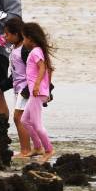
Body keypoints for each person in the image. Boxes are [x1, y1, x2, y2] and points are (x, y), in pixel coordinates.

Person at [20, 21, 55, 161]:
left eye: (24, 38)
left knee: (36, 124)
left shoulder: (35, 51)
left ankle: (49, 149)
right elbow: (49, 69)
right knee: (24, 120)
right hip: (38, 91)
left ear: (30, 38)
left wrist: (37, 85)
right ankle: (38, 147)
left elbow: (42, 68)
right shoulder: (38, 51)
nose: (23, 42)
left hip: (37, 92)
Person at [2, 16, 34, 158]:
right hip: (18, 90)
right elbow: (15, 73)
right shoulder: (14, 48)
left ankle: (26, 150)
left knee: (19, 118)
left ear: (16, 34)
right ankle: (33, 148)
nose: (5, 36)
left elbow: (33, 71)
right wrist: (1, 87)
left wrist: (29, 90)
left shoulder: (24, 50)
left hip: (25, 90)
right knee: (26, 119)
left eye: (7, 34)